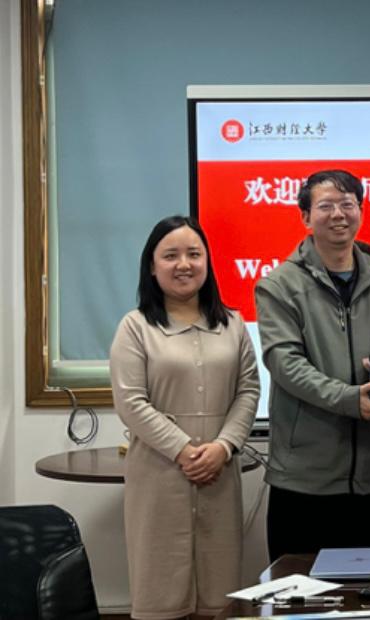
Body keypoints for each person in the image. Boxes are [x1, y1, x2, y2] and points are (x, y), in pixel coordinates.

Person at [255, 169, 370, 562]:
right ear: (305, 217)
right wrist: (349, 399)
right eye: (325, 206)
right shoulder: (279, 285)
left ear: (360, 211)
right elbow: (285, 362)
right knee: (298, 587)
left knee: (363, 586)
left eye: (348, 204)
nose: (339, 214)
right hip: (305, 474)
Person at [110, 215, 259, 619]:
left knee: (219, 594)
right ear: (151, 265)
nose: (184, 264)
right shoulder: (135, 327)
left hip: (219, 474)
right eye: (170, 255)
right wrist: (183, 450)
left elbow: (248, 391)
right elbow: (131, 401)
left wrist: (223, 447)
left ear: (207, 262)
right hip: (159, 475)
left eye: (194, 254)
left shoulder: (233, 324)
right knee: (160, 591)